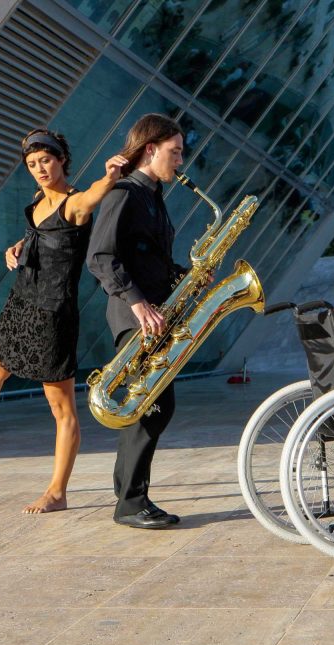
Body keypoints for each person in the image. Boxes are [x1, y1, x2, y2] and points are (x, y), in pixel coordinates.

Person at [0, 129, 127, 514]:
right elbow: (38, 233)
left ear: (62, 159)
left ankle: (57, 492)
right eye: (32, 164)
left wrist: (110, 177)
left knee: (61, 407)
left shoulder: (73, 204)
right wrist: (18, 246)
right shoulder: (38, 199)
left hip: (53, 313)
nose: (39, 169)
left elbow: (93, 195)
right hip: (20, 302)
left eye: (46, 160)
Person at [87, 113, 187, 529]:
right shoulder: (124, 194)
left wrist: (186, 277)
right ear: (150, 149)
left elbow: (149, 259)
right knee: (150, 408)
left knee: (151, 407)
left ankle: (127, 493)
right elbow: (100, 257)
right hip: (137, 318)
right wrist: (138, 302)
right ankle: (130, 503)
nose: (180, 161)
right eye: (174, 152)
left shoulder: (153, 197)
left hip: (154, 315)